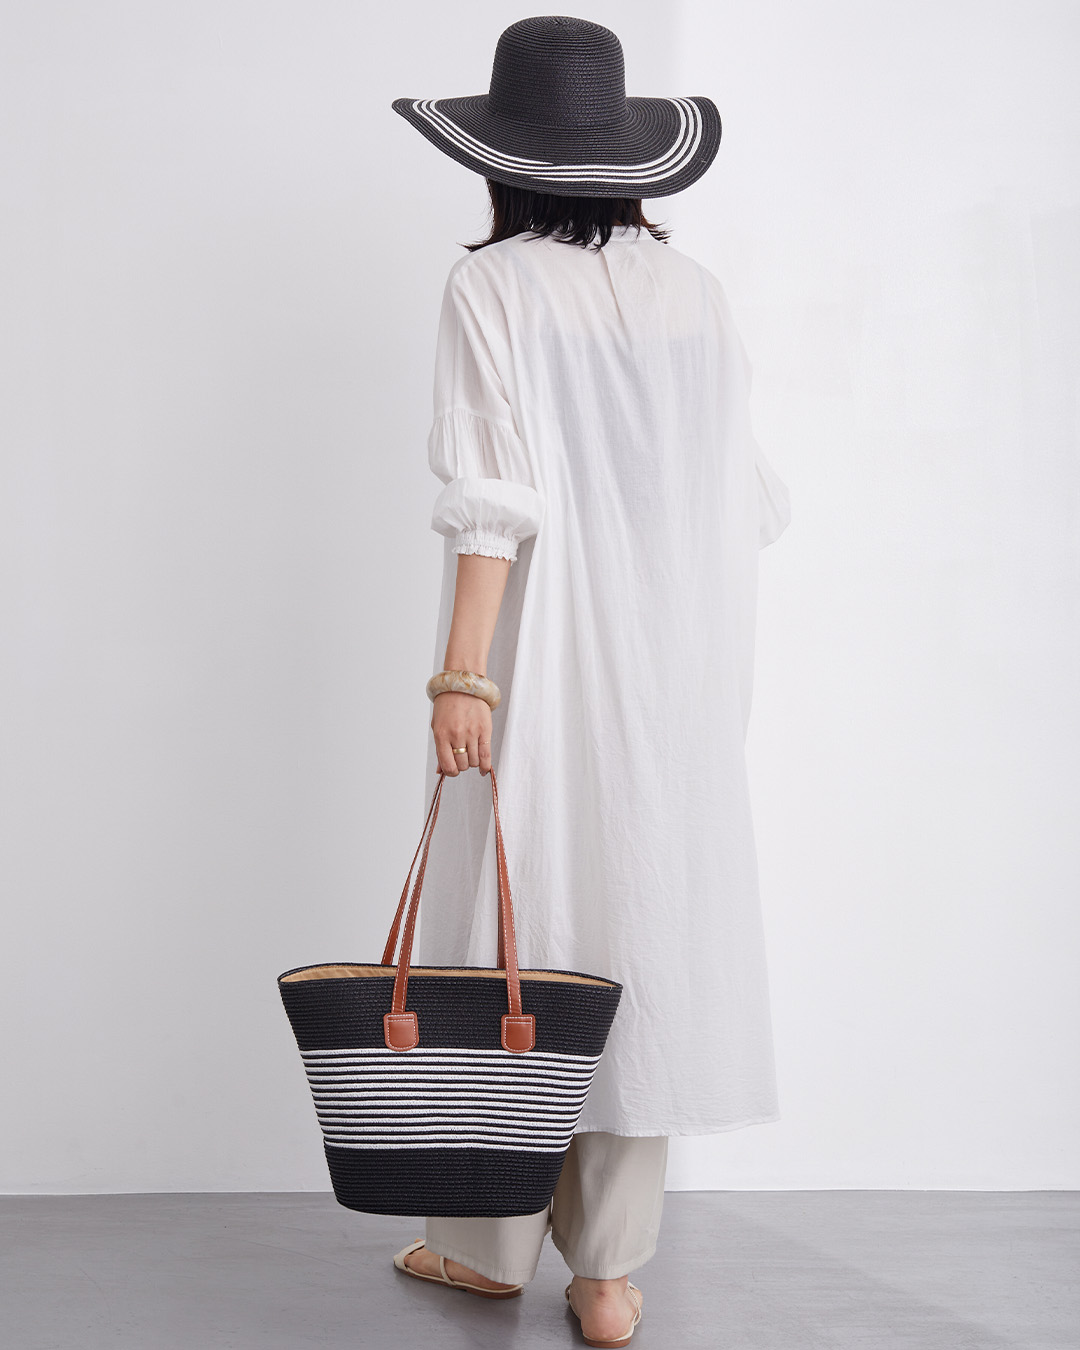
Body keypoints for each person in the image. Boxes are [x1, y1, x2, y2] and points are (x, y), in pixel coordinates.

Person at [389, 16, 791, 1347]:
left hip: (547, 647)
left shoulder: (494, 285)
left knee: (522, 918)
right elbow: (748, 499)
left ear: (499, 158)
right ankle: (610, 1274)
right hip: (680, 661)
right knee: (642, 921)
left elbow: (492, 498)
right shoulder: (698, 292)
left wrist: (464, 672)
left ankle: (488, 1247)